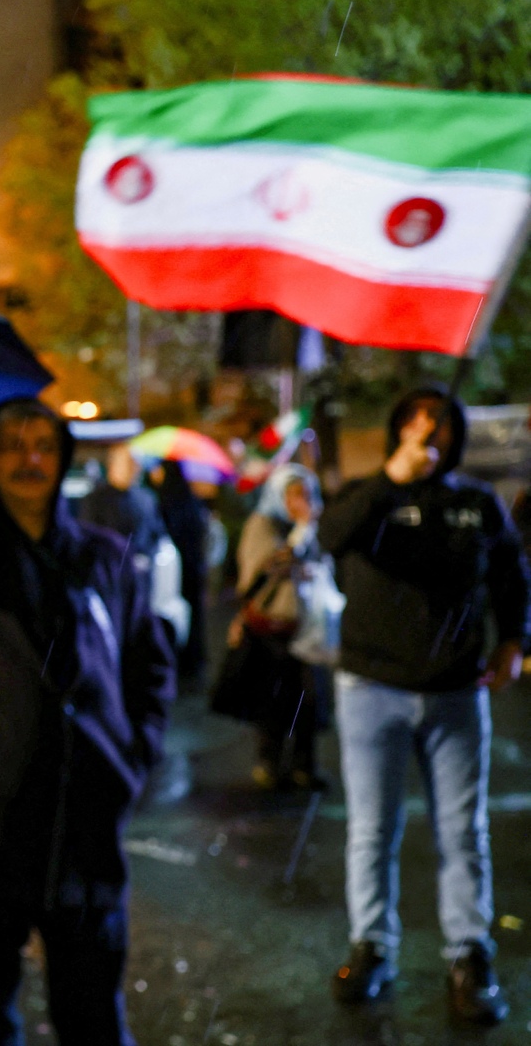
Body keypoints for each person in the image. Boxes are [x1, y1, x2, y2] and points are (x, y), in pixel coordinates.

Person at [0, 398, 176, 1046]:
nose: (29, 460)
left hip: (84, 820)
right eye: (11, 446)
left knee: (94, 1011)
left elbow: (148, 662)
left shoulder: (103, 556)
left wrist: (134, 754)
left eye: (44, 445)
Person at [318, 387, 528, 1026]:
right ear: (396, 429)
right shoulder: (367, 495)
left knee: (462, 831)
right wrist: (391, 479)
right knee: (371, 829)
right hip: (371, 687)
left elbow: (511, 574)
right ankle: (371, 945)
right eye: (413, 419)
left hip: (456, 691)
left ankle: (469, 954)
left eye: (438, 423)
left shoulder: (477, 502)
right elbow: (330, 536)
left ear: (454, 435)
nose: (425, 432)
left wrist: (514, 639)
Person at [214, 464, 332, 790]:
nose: (300, 502)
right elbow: (268, 566)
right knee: (273, 700)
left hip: (307, 627)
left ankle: (304, 764)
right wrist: (302, 531)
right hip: (270, 627)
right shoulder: (263, 524)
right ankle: (270, 762)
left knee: (308, 700)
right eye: (292, 495)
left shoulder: (316, 526)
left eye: (306, 495)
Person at [153, 461, 212, 690]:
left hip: (176, 571)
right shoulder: (192, 501)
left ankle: (181, 661)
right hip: (194, 567)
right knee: (194, 615)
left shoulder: (167, 502)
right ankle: (194, 660)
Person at [77, 441, 165, 558]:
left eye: (136, 463)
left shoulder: (147, 498)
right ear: (112, 465)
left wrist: (147, 557)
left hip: (140, 563)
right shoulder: (95, 499)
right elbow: (88, 535)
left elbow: (156, 533)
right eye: (129, 462)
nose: (134, 468)